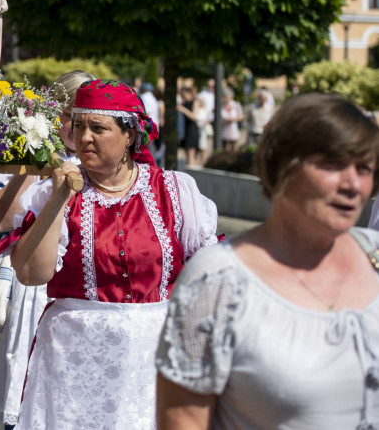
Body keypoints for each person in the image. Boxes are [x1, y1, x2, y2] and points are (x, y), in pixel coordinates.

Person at [0, 78, 218, 429]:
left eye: (98, 128)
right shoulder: (54, 192)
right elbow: (33, 274)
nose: (84, 138)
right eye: (79, 126)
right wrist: (59, 198)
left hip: (153, 351)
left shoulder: (174, 190)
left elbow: (208, 274)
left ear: (129, 135)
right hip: (75, 352)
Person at [157, 93, 379, 429]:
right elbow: (185, 420)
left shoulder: (373, 256)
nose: (352, 184)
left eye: (365, 168)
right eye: (332, 165)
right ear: (283, 166)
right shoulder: (217, 281)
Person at [0, 69, 94, 429]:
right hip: (37, 286)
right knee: (32, 392)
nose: (77, 127)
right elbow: (1, 219)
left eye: (86, 117)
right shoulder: (25, 154)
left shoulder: (103, 159)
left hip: (88, 289)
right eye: (69, 116)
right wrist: (35, 152)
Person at [177, 86, 201, 166]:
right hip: (185, 130)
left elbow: (194, 117)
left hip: (192, 130)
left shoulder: (195, 102)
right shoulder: (183, 103)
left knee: (191, 154)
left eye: (184, 95)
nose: (183, 97)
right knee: (186, 155)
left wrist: (183, 109)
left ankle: (191, 171)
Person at [220, 87, 243, 152]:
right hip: (223, 129)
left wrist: (232, 119)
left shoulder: (236, 104)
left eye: (226, 96)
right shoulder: (221, 105)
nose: (225, 98)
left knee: (233, 149)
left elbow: (240, 116)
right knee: (224, 149)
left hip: (233, 129)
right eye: (224, 96)